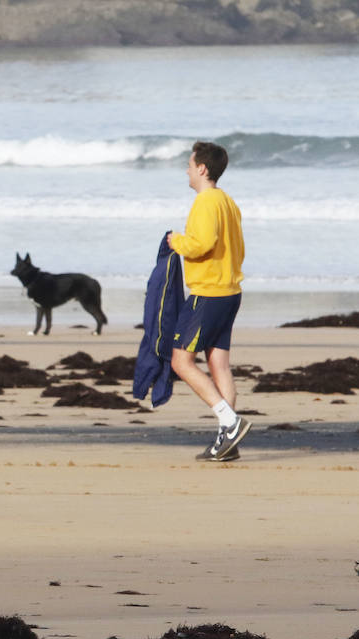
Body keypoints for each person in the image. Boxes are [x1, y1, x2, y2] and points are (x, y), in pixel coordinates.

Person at [164, 141, 249, 462]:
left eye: (189, 164)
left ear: (202, 168)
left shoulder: (205, 201)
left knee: (181, 361)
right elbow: (235, 245)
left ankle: (230, 421)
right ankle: (228, 442)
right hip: (230, 291)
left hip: (208, 293)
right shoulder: (228, 201)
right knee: (219, 365)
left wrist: (176, 241)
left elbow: (201, 244)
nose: (186, 170)